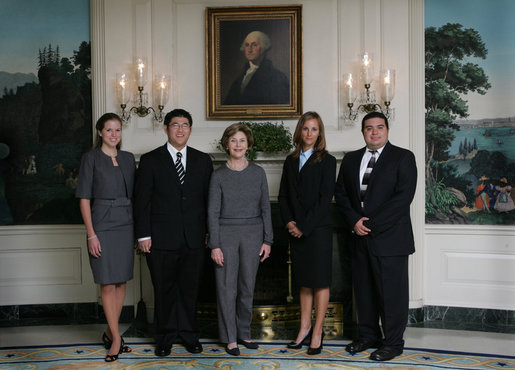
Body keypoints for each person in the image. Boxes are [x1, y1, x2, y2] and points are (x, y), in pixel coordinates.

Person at [334, 111, 417, 362]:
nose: (375, 132)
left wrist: (369, 223)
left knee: (392, 294)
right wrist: (353, 221)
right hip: (358, 237)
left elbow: (403, 198)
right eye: (369, 128)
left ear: (387, 130)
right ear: (363, 132)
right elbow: (341, 194)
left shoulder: (403, 157)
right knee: (364, 291)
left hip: (390, 239)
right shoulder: (350, 159)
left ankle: (392, 343)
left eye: (380, 127)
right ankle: (368, 336)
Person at [134, 109, 213, 357]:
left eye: (185, 125)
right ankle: (165, 337)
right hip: (159, 239)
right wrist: (143, 235)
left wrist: (210, 233)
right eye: (175, 125)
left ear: (190, 129)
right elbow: (141, 201)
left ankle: (190, 335)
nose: (180, 129)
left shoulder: (203, 160)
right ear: (166, 128)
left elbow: (209, 201)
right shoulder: (150, 160)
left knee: (190, 290)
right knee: (164, 289)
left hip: (195, 238)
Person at [208, 123, 273, 356]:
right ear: (227, 144)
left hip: (253, 234)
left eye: (242, 140)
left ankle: (244, 333)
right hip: (225, 234)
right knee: (227, 288)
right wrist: (214, 244)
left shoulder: (258, 173)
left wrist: (268, 240)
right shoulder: (218, 176)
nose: (238, 144)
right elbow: (212, 213)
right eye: (233, 140)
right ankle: (229, 338)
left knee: (247, 286)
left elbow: (266, 207)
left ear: (248, 145)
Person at [76, 113, 136, 362]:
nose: (114, 134)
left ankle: (110, 332)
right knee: (107, 281)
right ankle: (117, 339)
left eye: (118, 130)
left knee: (121, 281)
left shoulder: (128, 158)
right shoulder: (90, 159)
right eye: (109, 130)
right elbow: (84, 199)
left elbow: (137, 195)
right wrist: (91, 234)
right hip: (102, 223)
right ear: (100, 132)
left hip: (127, 223)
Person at [278, 111, 336, 355]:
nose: (309, 133)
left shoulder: (328, 160)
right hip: (296, 230)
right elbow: (283, 196)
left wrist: (304, 226)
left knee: (320, 281)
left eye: (314, 129)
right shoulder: (290, 161)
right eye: (305, 128)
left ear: (319, 132)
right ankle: (304, 327)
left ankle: (317, 331)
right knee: (303, 281)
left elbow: (325, 199)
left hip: (318, 230)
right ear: (299, 131)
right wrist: (290, 222)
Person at [224, 30, 289, 105]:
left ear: (264, 47)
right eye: (247, 45)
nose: (249, 49)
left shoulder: (277, 77)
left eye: (254, 45)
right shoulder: (240, 77)